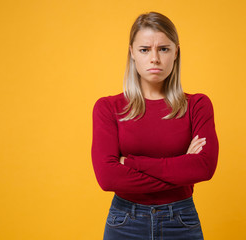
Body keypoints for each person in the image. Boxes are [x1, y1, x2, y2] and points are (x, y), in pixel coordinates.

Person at [91, 11, 219, 240]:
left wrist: (131, 163)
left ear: (176, 52)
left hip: (181, 221)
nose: (154, 58)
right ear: (132, 53)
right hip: (124, 223)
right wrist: (182, 168)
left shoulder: (197, 105)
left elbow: (204, 168)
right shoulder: (108, 107)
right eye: (144, 49)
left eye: (163, 49)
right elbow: (107, 178)